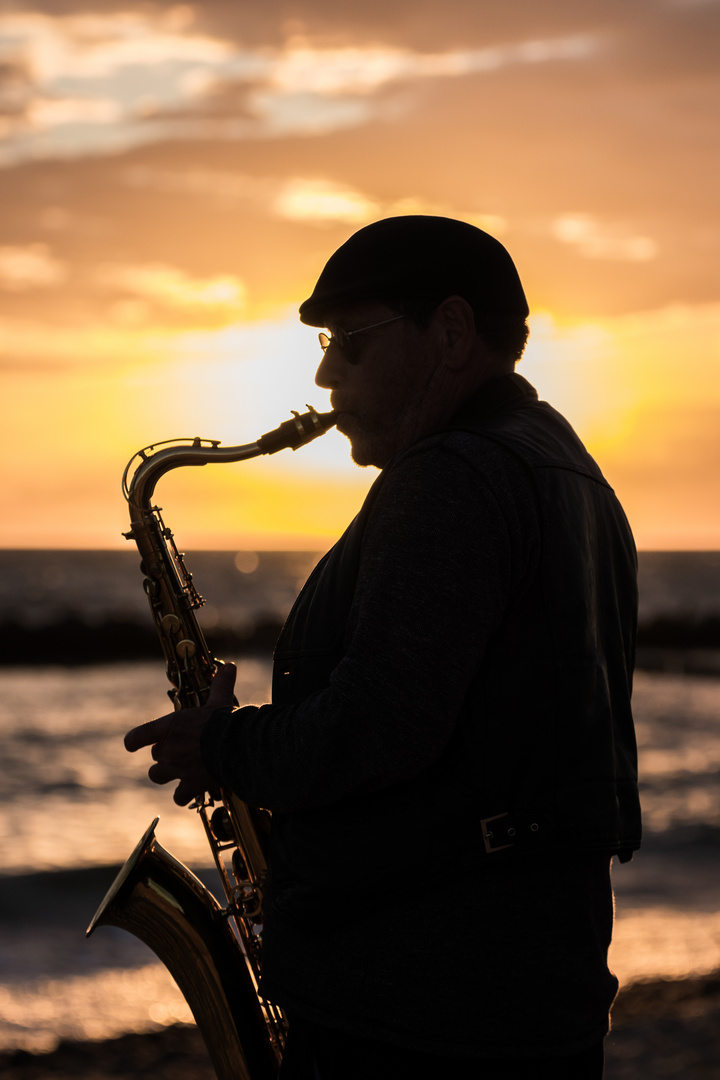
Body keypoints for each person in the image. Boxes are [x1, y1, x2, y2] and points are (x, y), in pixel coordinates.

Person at [125, 216, 641, 1079]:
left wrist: (222, 744)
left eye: (348, 342)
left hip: (420, 1010)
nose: (325, 373)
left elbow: (378, 726)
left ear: (448, 332)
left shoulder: (452, 476)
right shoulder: (571, 472)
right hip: (524, 991)